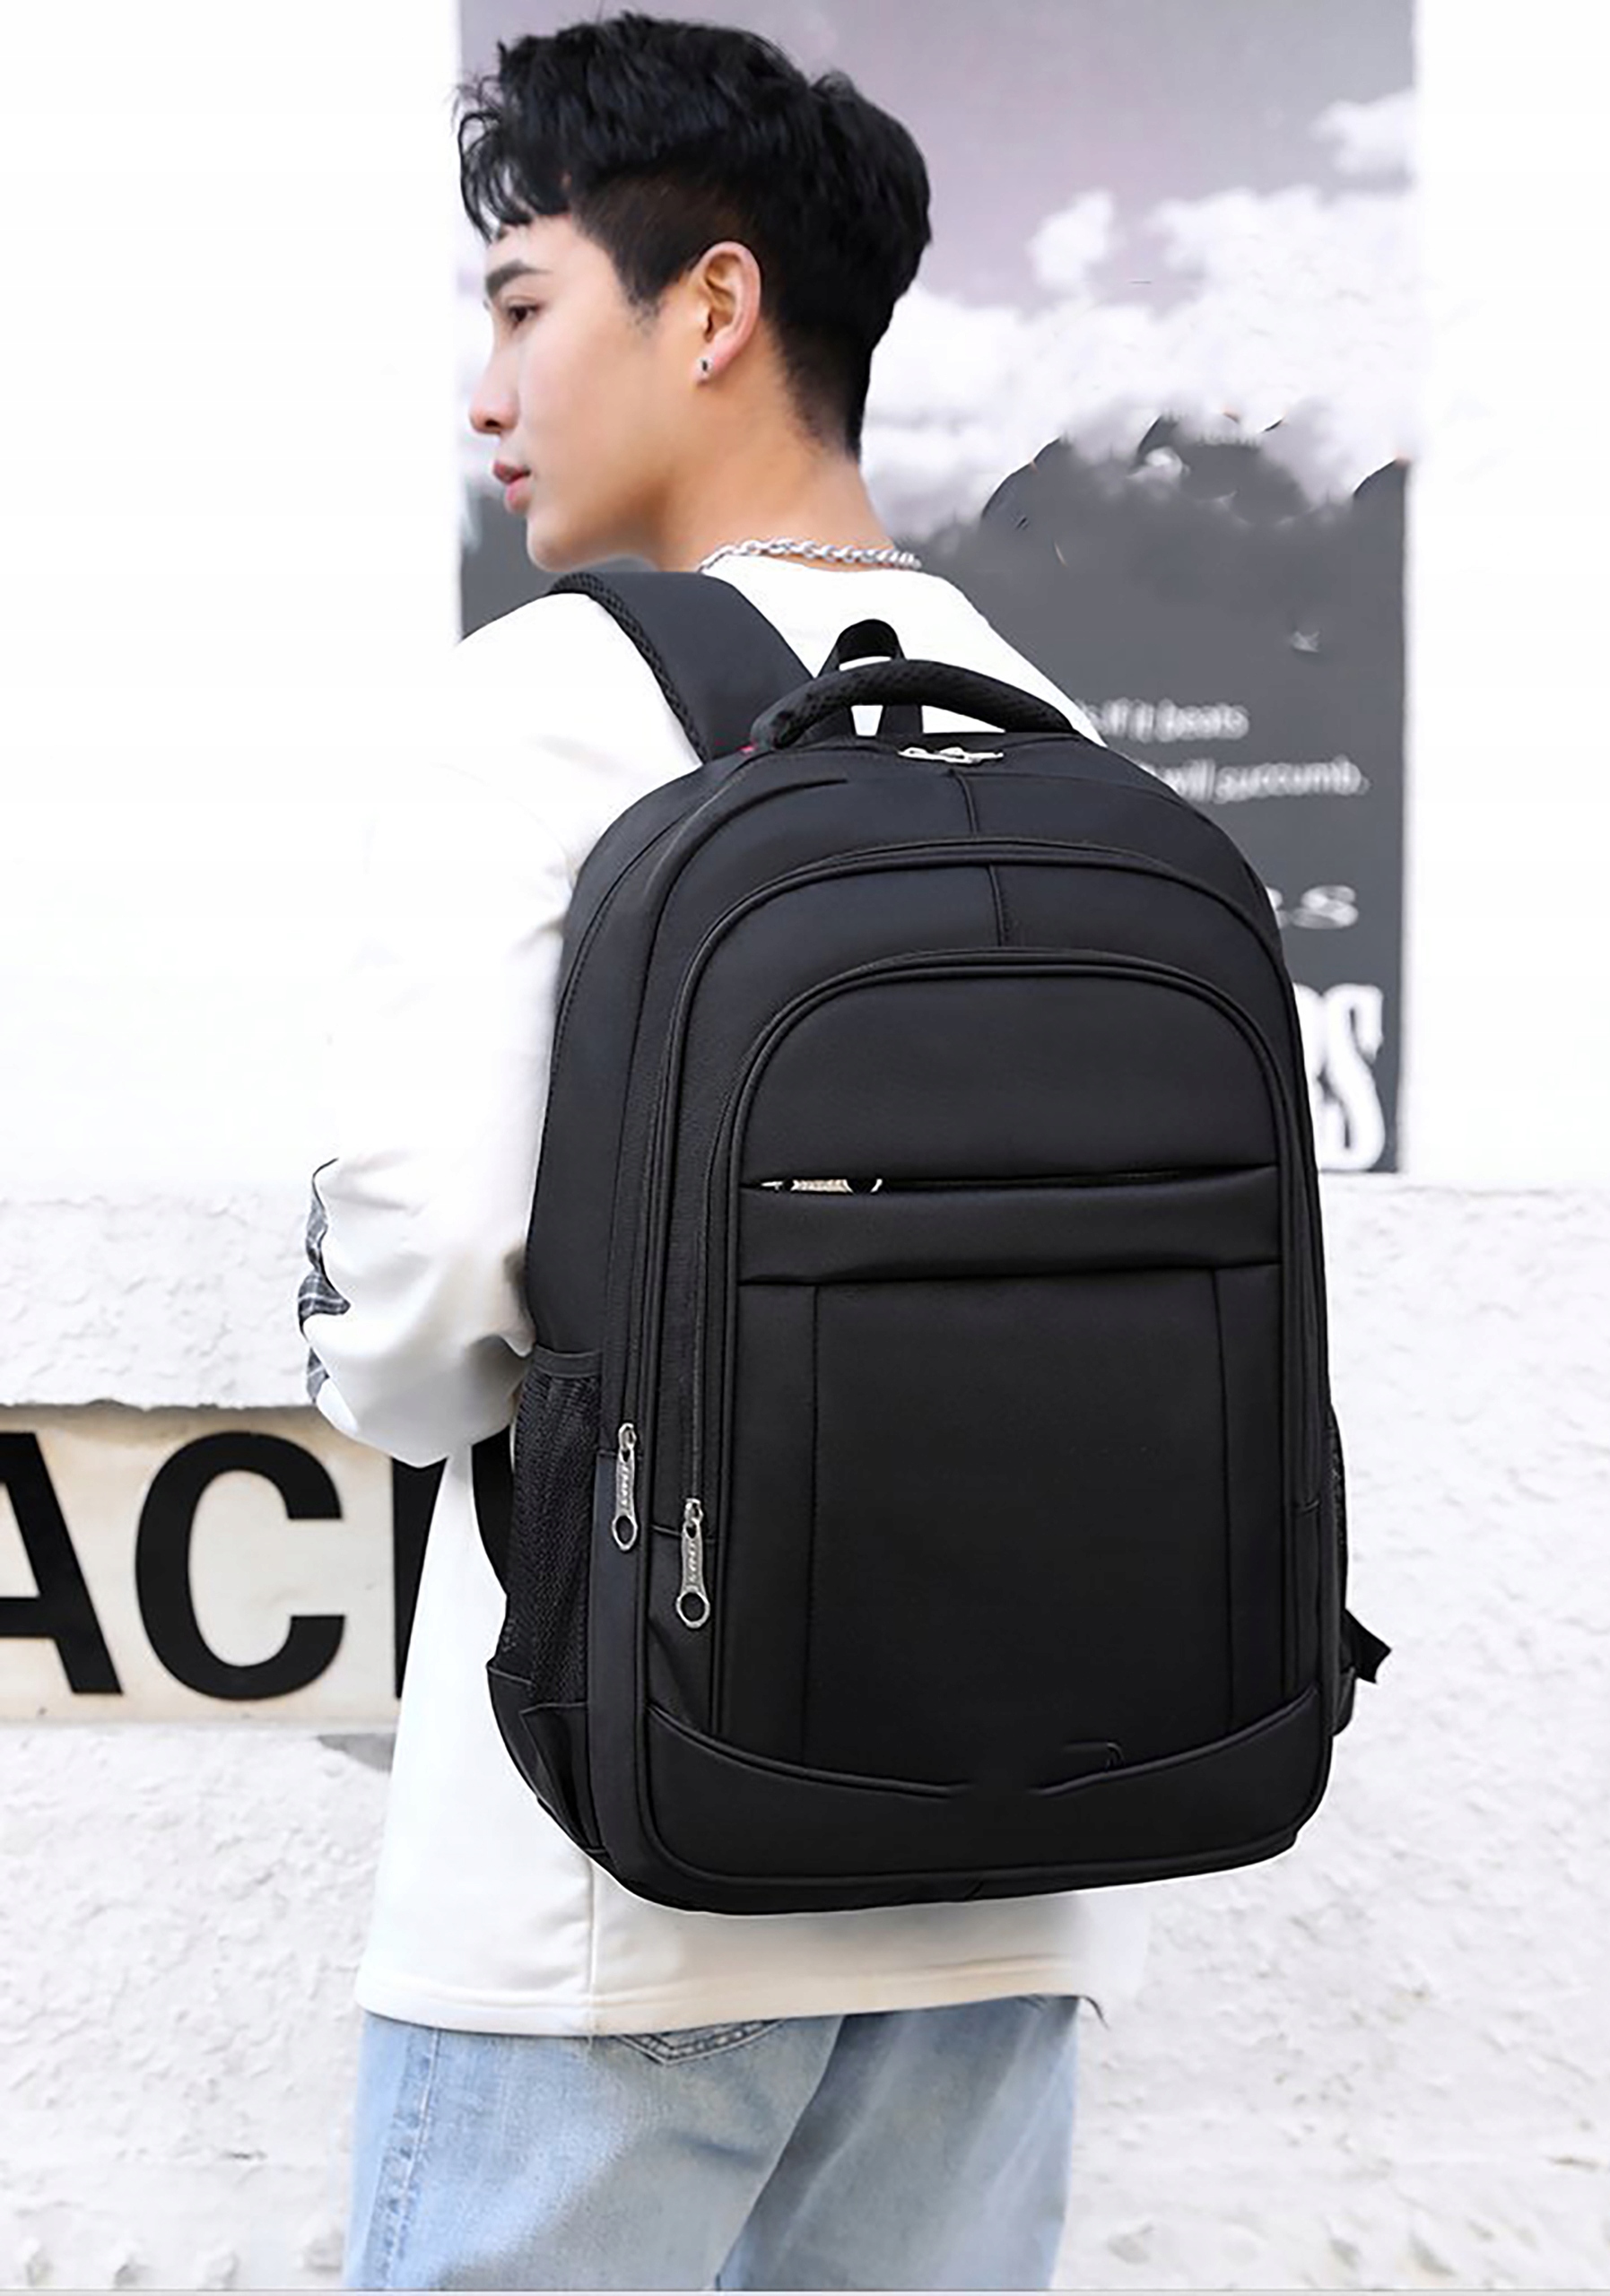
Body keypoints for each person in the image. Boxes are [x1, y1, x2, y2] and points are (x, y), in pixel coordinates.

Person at [300, 13, 1152, 2288]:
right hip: (1013, 1874)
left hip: (619, 1864)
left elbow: (424, 1293)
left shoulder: (547, 699)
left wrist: (361, 1358)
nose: (487, 392)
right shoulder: (1050, 727)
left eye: (522, 305)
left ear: (713, 306)